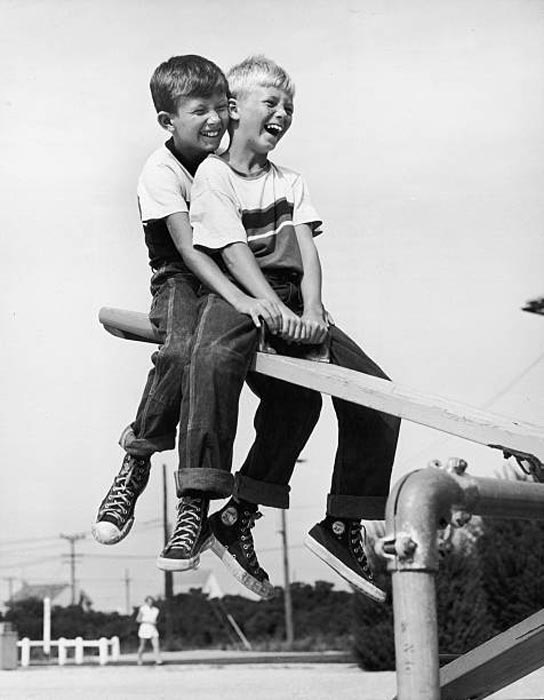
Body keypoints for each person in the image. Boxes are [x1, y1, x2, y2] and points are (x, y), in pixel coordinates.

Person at [91, 55, 321, 600]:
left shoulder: (222, 160)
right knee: (180, 351)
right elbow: (191, 250)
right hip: (180, 276)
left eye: (221, 107)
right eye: (202, 111)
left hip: (221, 276)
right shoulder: (163, 170)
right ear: (169, 121)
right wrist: (241, 296)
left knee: (216, 363)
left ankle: (196, 502)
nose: (216, 119)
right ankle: (138, 458)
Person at [189, 56, 401, 603]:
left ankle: (338, 522)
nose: (282, 114)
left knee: (378, 400)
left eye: (290, 108)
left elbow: (307, 247)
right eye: (271, 103)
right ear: (233, 110)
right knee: (294, 407)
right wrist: (268, 304)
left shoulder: (290, 180)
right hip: (244, 298)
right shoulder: (212, 174)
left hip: (299, 302)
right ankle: (234, 516)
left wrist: (312, 308)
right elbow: (232, 250)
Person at [136, 596, 162, 665]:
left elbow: (156, 619)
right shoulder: (143, 609)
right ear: (146, 602)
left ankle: (158, 660)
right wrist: (149, 622)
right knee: (142, 646)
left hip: (153, 629)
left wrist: (155, 623)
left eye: (151, 602)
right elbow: (138, 619)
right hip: (144, 629)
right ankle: (139, 659)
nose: (150, 603)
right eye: (149, 602)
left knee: (156, 645)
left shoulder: (156, 610)